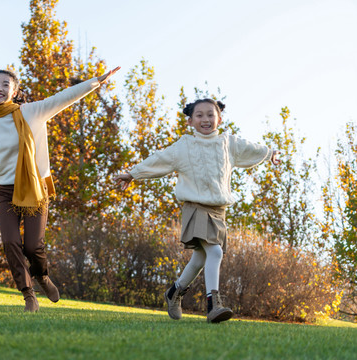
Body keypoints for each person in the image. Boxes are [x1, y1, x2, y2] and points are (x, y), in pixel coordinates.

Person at [0, 66, 120, 312]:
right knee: (11, 242)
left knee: (33, 246)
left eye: (6, 84)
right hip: (6, 191)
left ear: (14, 92)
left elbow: (63, 98)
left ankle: (42, 277)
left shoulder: (33, 112)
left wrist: (95, 82)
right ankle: (28, 295)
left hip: (36, 188)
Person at [114, 99, 280, 323]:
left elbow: (251, 148)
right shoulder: (185, 147)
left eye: (210, 115)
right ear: (190, 121)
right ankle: (214, 305)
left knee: (200, 258)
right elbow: (159, 159)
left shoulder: (228, 143)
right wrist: (133, 173)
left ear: (219, 119)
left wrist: (269, 153)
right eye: (200, 115)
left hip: (218, 210)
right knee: (215, 252)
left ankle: (175, 292)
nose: (206, 120)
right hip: (195, 207)